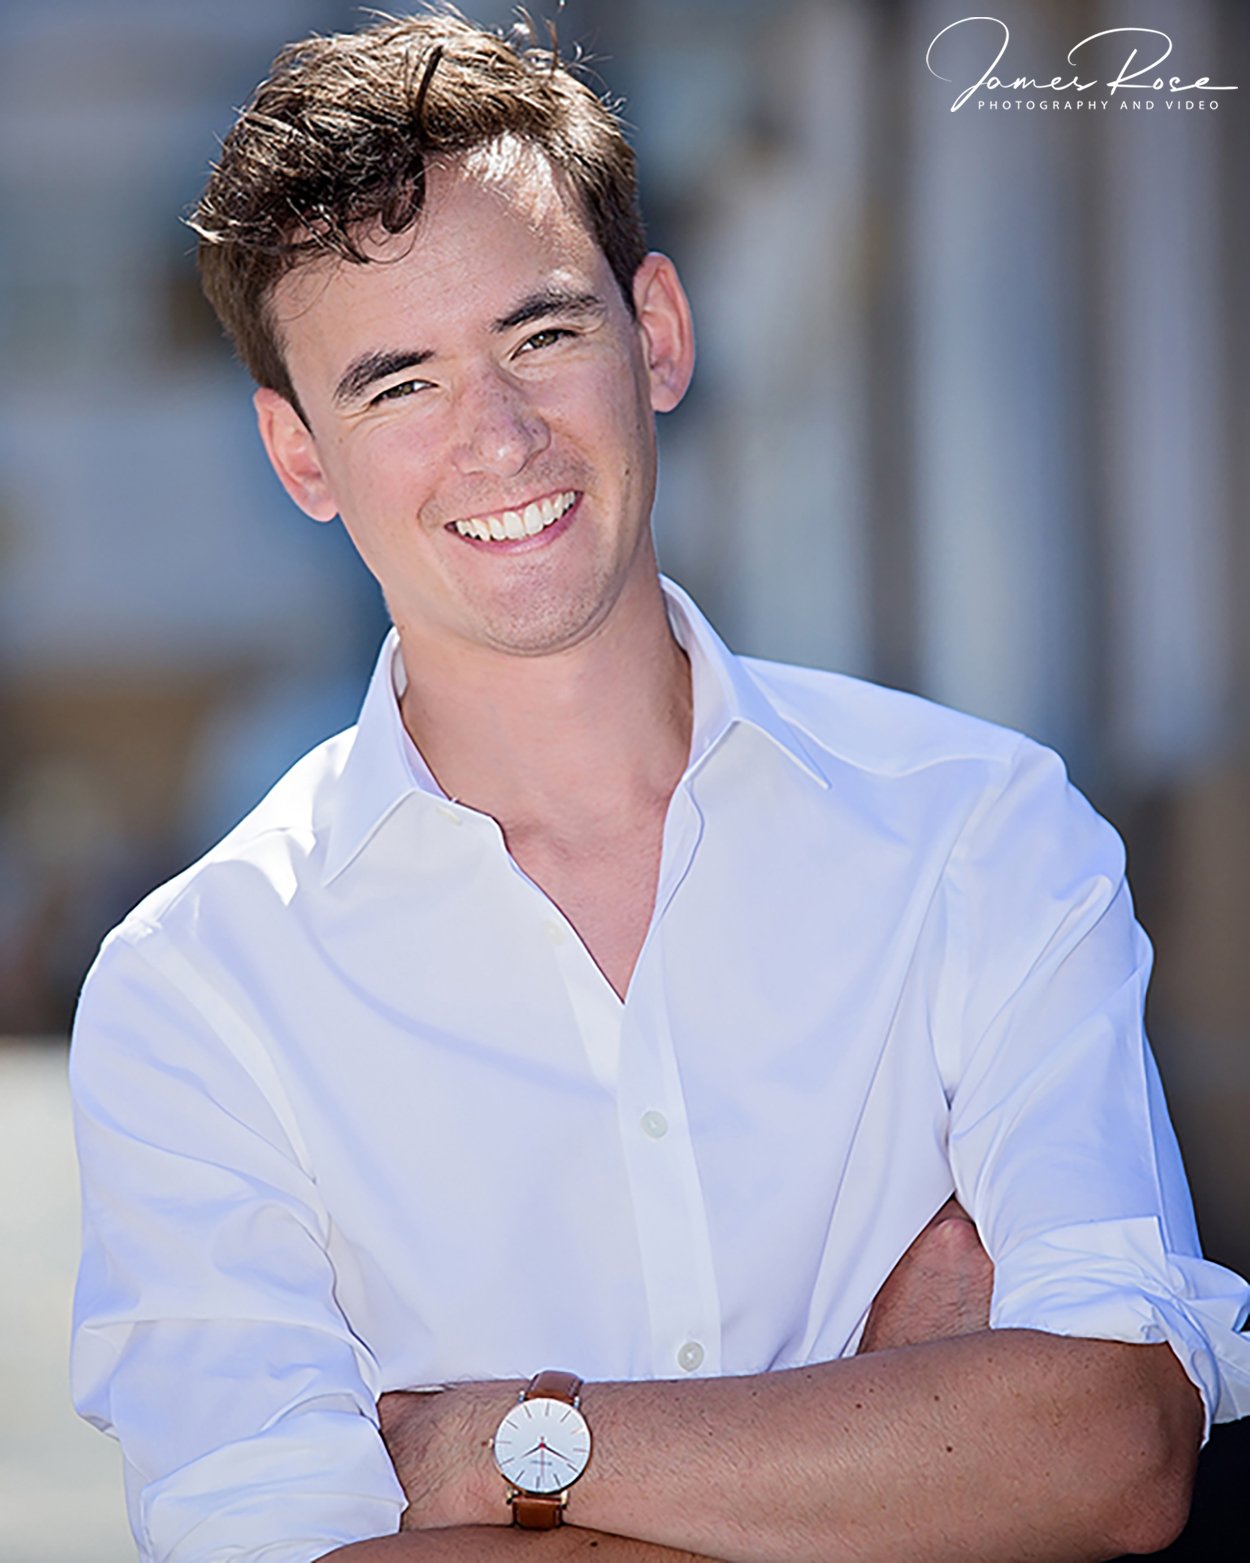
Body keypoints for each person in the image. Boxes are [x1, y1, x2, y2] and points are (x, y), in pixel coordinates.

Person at [69, 10, 1250, 1563]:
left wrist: (490, 1453)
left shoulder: (978, 833)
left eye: (541, 334)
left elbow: (1107, 1446)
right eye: (395, 382)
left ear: (661, 333)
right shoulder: (194, 994)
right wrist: (884, 1434)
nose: (494, 437)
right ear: (300, 457)